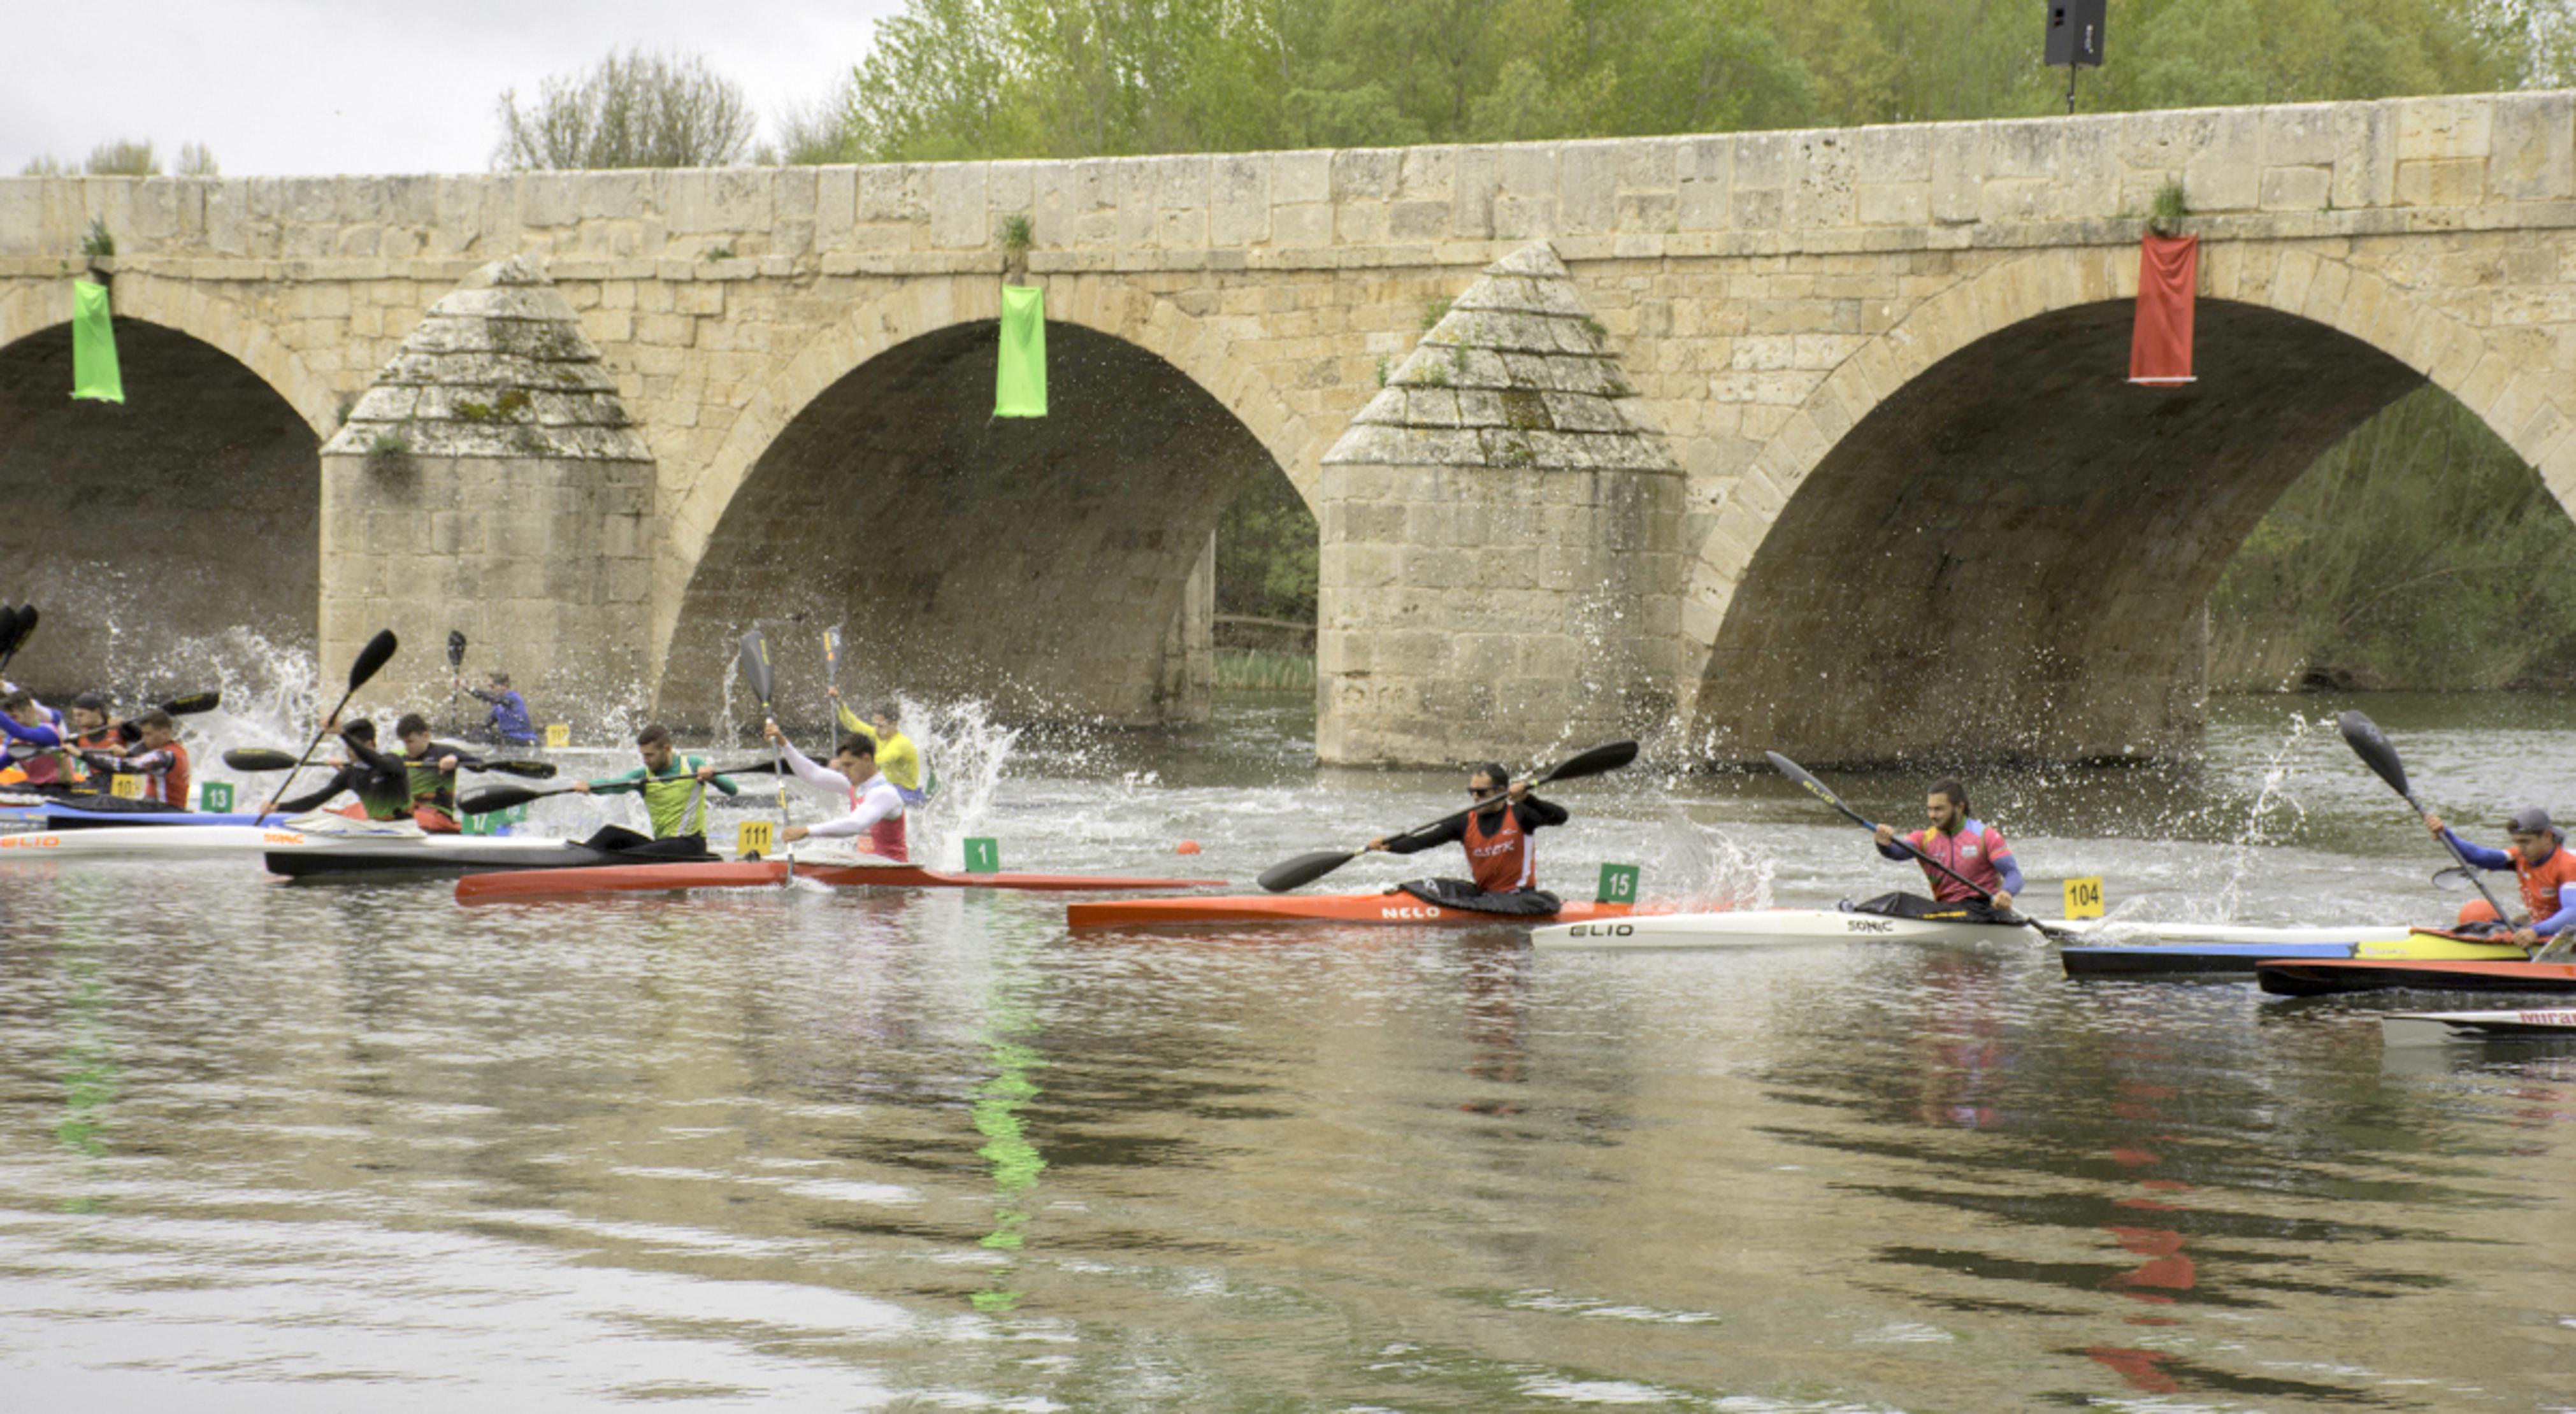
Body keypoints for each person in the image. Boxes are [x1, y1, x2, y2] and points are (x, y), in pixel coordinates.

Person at [1364, 761, 1569, 915]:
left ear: (1500, 791)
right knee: (1430, 886)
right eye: (1472, 792)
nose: (1475, 798)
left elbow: (1561, 817)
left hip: (1520, 899)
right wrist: (1388, 845)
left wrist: (1529, 798)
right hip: (1485, 897)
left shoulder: (1521, 814)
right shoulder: (1463, 822)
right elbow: (1421, 842)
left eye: (1481, 792)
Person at [2425, 807, 2576, 952]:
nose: (2521, 848)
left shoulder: (2568, 865)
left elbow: (2573, 912)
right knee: (2474, 921)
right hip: (2540, 927)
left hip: (2565, 932)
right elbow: (2480, 857)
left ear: (2547, 837)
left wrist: (2536, 931)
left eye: (2526, 842)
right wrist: (2446, 834)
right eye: (2517, 842)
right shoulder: (2522, 857)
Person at [570, 723, 736, 854]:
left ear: (667, 749)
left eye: (650, 755)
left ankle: (611, 864)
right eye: (643, 755)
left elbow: (732, 790)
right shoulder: (644, 776)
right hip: (663, 846)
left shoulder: (692, 765)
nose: (645, 760)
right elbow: (617, 784)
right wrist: (590, 786)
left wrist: (712, 777)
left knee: (629, 854)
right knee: (610, 833)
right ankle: (573, 862)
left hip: (691, 844)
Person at [763, 719, 907, 862]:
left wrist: (806, 831)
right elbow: (814, 774)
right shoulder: (856, 785)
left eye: (849, 765)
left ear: (867, 759)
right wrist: (784, 744)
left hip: (892, 870)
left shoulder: (884, 793)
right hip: (866, 865)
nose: (844, 772)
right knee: (818, 853)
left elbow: (856, 824)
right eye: (842, 766)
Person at [1872, 777, 2022, 913]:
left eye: (1939, 809)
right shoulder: (1923, 839)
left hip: (1984, 910)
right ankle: (1856, 912)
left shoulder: (1985, 836)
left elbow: (2013, 874)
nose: (1932, 815)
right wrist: (1883, 844)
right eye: (1929, 809)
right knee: (1899, 900)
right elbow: (1896, 853)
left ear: (1959, 807)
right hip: (1947, 910)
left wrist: (2006, 893)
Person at [263, 718, 414, 821]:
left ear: (368, 745)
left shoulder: (392, 762)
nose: (347, 752)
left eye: (352, 747)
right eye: (346, 747)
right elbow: (315, 800)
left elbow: (376, 762)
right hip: (375, 828)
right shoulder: (350, 775)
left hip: (404, 829)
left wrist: (342, 733)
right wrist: (277, 807)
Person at [828, 689, 928, 804]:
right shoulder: (879, 734)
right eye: (875, 725)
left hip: (909, 795)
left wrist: (845, 763)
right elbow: (854, 725)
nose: (876, 730)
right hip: (890, 787)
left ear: (894, 725)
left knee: (870, 791)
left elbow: (879, 761)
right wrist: (840, 704)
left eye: (880, 726)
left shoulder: (901, 744)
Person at [82, 709, 192, 810]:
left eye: (148, 734)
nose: (143, 739)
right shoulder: (177, 750)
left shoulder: (163, 756)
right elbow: (141, 761)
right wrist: (127, 754)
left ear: (164, 734)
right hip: (163, 808)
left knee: (107, 801)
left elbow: (124, 767)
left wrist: (82, 755)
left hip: (164, 811)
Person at [391, 711, 482, 832]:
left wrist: (455, 758)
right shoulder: (399, 757)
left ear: (425, 736)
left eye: (410, 742)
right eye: (404, 742)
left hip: (437, 814)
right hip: (410, 812)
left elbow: (480, 766)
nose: (407, 747)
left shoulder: (445, 752)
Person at [0, 689, 72, 787]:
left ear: (29, 712)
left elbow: (21, 733)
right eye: (9, 720)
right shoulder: (16, 740)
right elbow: (3, 762)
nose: (13, 723)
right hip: (35, 787)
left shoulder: (48, 731)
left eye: (15, 717)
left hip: (60, 789)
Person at [459, 671, 538, 747]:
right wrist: (467, 736)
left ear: (505, 685)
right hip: (509, 741)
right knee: (480, 734)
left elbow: (491, 698)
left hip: (525, 741)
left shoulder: (514, 698)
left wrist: (469, 689)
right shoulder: (497, 708)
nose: (491, 690)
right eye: (490, 687)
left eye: (493, 687)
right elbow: (486, 726)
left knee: (494, 738)